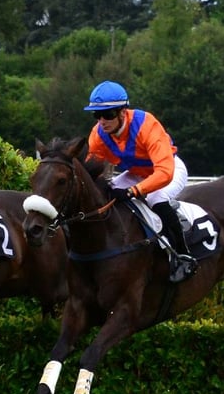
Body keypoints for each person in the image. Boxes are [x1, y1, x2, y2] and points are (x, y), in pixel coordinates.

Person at [81, 81, 196, 282]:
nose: (102, 121)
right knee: (105, 194)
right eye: (97, 115)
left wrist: (133, 191)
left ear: (122, 112)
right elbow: (91, 169)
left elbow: (164, 172)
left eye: (107, 114)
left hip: (169, 169)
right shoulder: (98, 134)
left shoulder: (146, 125)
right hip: (136, 173)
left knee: (155, 198)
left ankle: (182, 254)